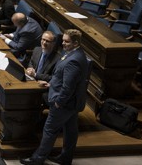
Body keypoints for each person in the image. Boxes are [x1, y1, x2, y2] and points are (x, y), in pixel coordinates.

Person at [21, 29, 90, 165]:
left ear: (76, 43)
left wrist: (59, 102)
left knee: (49, 130)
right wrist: (51, 84)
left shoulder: (74, 61)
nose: (63, 44)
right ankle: (65, 158)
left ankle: (37, 159)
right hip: (72, 103)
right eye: (63, 40)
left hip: (64, 103)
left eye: (66, 42)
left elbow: (68, 86)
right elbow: (61, 78)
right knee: (70, 131)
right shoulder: (74, 53)